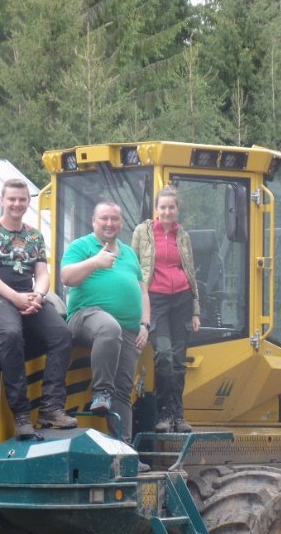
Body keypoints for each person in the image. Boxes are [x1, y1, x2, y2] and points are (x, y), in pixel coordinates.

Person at [0, 178, 77, 440]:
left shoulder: (33, 235)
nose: (17, 204)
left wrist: (38, 296)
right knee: (11, 333)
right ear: (2, 200)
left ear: (28, 202)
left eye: (22, 199)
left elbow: (42, 273)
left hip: (28, 295)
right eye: (12, 199)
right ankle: (21, 413)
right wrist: (14, 297)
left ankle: (51, 407)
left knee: (62, 335)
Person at [60, 200, 150, 444]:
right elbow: (66, 277)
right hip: (86, 316)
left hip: (129, 330)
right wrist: (95, 263)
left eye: (114, 219)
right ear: (94, 221)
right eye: (104, 219)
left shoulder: (129, 253)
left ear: (120, 223)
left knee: (124, 390)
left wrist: (144, 324)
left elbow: (142, 292)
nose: (109, 223)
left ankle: (124, 453)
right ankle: (101, 391)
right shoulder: (82, 246)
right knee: (109, 328)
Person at [131, 185, 200, 433]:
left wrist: (195, 310)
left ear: (177, 209)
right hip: (156, 300)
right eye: (163, 207)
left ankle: (177, 414)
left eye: (172, 207)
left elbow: (190, 272)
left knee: (180, 361)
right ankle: (165, 411)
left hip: (181, 299)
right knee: (164, 355)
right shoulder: (143, 232)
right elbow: (134, 267)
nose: (167, 211)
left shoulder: (184, 236)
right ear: (156, 209)